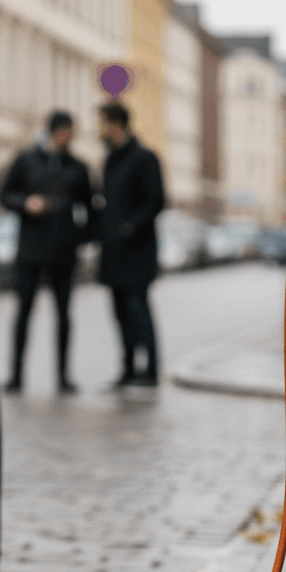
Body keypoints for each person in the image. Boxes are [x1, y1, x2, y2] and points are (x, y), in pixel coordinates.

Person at [0, 110, 92, 393]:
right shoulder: (26, 160)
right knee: (24, 312)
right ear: (55, 131)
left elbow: (90, 206)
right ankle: (16, 375)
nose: (71, 137)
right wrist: (26, 203)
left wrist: (79, 237)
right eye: (68, 131)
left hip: (64, 253)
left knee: (64, 315)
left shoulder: (78, 167)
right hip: (30, 250)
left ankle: (63, 376)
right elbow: (3, 195)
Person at [96, 101, 165, 387]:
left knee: (139, 310)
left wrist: (129, 227)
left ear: (116, 124)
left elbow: (157, 201)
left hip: (138, 252)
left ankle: (150, 370)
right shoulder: (109, 160)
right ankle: (127, 369)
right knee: (119, 312)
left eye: (101, 123)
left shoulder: (145, 157)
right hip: (113, 252)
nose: (98, 130)